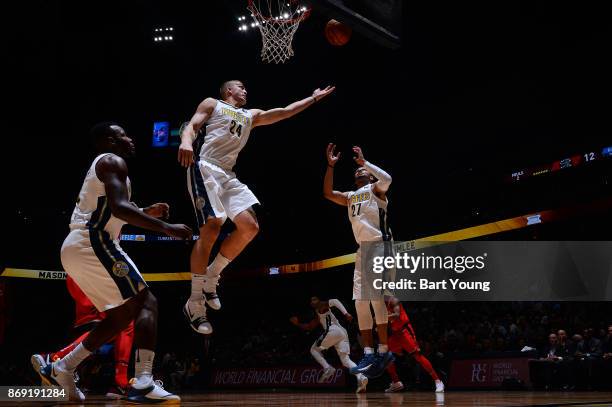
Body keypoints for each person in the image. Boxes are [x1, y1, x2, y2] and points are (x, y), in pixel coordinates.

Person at [39, 122, 192, 403]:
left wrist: (144, 211)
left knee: (121, 316)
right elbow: (120, 208)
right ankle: (144, 382)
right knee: (148, 303)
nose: (130, 138)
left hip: (79, 246)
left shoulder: (106, 166)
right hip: (93, 241)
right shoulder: (112, 160)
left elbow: (113, 209)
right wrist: (166, 227)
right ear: (110, 141)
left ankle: (62, 366)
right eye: (123, 135)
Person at [178, 80, 335, 335]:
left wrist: (313, 98)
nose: (245, 90)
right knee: (213, 226)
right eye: (240, 87)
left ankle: (212, 276)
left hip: (227, 174)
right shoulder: (212, 103)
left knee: (250, 228)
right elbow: (193, 124)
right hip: (204, 166)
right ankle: (195, 303)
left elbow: (284, 111)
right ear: (229, 90)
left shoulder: (251, 115)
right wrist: (186, 141)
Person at [323, 144, 394, 378]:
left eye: (362, 171)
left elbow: (388, 178)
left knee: (375, 299)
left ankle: (384, 349)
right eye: (356, 172)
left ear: (369, 175)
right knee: (360, 302)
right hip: (362, 250)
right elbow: (327, 193)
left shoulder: (377, 189)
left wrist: (365, 162)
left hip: (379, 246)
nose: (359, 173)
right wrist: (330, 166)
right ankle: (369, 351)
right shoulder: (350, 196)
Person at [31, 276, 135, 399]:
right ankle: (54, 359)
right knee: (122, 322)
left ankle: (56, 370)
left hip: (79, 275)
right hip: (93, 273)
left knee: (117, 324)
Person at [290, 296, 368, 393]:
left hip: (333, 330)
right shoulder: (318, 313)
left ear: (318, 300)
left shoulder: (321, 305)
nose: (314, 301)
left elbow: (335, 301)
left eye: (315, 299)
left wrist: (346, 313)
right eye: (312, 300)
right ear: (310, 304)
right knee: (345, 360)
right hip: (342, 333)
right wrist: (297, 324)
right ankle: (361, 377)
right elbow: (309, 327)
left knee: (314, 350)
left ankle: (328, 368)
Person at [384, 296, 444, 393]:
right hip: (394, 334)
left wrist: (381, 318)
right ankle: (396, 382)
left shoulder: (393, 300)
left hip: (404, 331)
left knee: (417, 356)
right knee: (385, 356)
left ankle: (438, 381)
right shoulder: (381, 305)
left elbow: (397, 314)